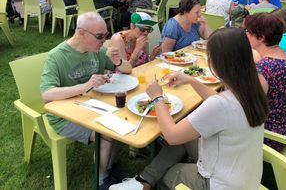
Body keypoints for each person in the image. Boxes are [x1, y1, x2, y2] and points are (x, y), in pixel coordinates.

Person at [109, 27, 269, 190]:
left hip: (219, 183)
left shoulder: (220, 105)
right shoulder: (254, 87)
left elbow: (171, 135)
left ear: (219, 62)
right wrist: (191, 81)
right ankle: (143, 180)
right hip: (245, 176)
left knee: (167, 171)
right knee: (185, 136)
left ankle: (148, 180)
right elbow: (223, 105)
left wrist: (157, 98)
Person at [40, 12, 132, 189]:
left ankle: (109, 166)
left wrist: (118, 61)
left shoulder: (97, 50)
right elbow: (47, 94)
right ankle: (101, 179)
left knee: (123, 121)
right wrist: (85, 86)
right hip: (63, 117)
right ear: (81, 33)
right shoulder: (56, 56)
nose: (104, 41)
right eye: (100, 36)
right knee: (107, 133)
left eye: (105, 35)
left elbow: (128, 69)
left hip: (91, 107)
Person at [243, 12, 286, 151]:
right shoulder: (283, 56)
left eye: (248, 32)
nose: (245, 34)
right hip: (283, 127)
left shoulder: (264, 70)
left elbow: (245, 109)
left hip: (268, 135)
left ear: (261, 38)